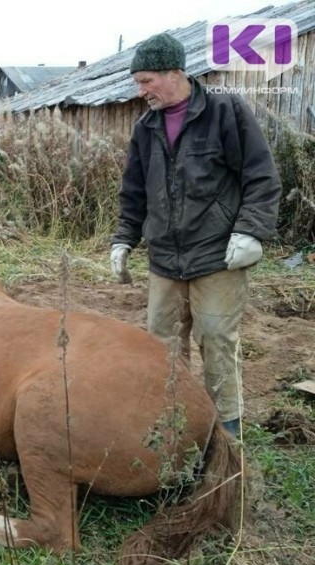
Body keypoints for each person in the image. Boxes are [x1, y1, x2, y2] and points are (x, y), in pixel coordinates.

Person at [110, 33, 281, 436]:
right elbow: (134, 191)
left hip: (217, 255)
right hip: (165, 258)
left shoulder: (226, 112)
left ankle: (227, 432)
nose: (141, 90)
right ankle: (175, 425)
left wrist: (250, 231)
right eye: (138, 82)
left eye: (147, 80)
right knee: (161, 344)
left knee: (217, 339)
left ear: (174, 73)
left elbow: (261, 176)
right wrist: (123, 239)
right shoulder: (146, 127)